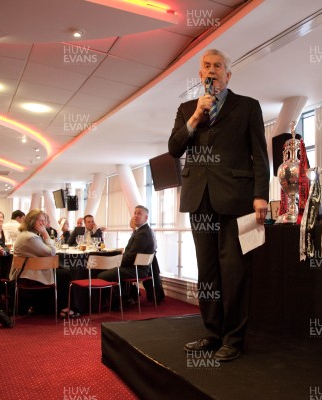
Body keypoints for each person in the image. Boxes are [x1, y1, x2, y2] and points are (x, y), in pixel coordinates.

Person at [168, 49, 269, 361]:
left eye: (218, 66)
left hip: (236, 199)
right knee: (208, 273)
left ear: (228, 74)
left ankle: (234, 339)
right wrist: (197, 116)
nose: (212, 71)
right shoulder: (187, 109)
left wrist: (260, 194)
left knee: (234, 271)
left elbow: (259, 155)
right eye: (206, 66)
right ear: (200, 75)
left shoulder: (248, 107)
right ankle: (212, 334)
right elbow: (174, 148)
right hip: (199, 200)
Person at [9, 209, 72, 317]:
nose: (43, 223)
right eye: (40, 221)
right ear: (31, 221)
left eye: (44, 221)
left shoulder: (27, 234)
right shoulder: (30, 237)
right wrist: (45, 234)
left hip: (27, 272)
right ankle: (62, 308)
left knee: (62, 272)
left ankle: (47, 307)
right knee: (65, 274)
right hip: (28, 276)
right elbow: (51, 252)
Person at [96, 206, 156, 307]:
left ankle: (123, 298)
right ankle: (130, 294)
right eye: (135, 213)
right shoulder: (141, 231)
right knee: (111, 271)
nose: (136, 216)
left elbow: (131, 257)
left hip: (137, 269)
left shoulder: (143, 233)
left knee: (102, 275)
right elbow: (130, 254)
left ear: (146, 218)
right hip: (135, 267)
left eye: (139, 213)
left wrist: (115, 263)